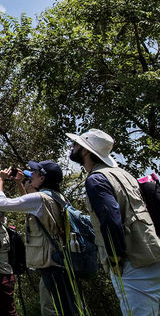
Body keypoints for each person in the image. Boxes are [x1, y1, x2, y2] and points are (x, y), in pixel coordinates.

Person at [68, 128, 160, 316]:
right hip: (152, 250)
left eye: (77, 144)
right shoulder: (123, 174)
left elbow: (110, 219)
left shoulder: (96, 179)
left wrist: (115, 258)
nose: (73, 146)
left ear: (86, 150)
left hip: (132, 261)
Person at [0, 161, 83, 316]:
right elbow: (33, 210)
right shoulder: (58, 197)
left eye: (34, 172)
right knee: (68, 308)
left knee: (51, 309)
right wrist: (20, 184)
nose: (31, 175)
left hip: (51, 265)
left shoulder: (40, 199)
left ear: (42, 178)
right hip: (63, 261)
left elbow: (1, 204)